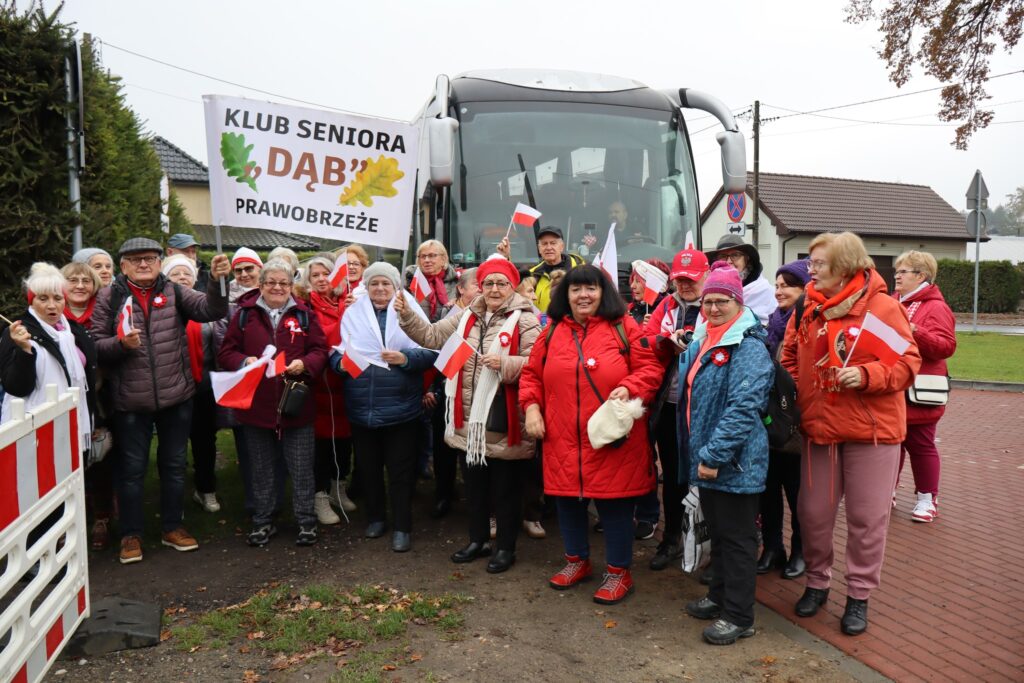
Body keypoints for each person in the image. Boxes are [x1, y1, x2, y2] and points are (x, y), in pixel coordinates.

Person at [781, 232, 921, 636]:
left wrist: (866, 375)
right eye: (810, 263)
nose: (811, 271)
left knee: (866, 519)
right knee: (813, 514)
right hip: (819, 429)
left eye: (818, 264)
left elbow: (908, 362)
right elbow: (790, 355)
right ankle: (818, 582)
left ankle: (859, 596)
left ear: (845, 267)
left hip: (871, 434)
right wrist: (799, 391)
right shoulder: (809, 305)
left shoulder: (881, 308)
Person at [520, 265, 663, 603]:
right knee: (568, 500)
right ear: (565, 296)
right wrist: (531, 408)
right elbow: (531, 375)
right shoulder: (551, 332)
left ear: (604, 292)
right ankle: (576, 561)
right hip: (562, 436)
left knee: (613, 506)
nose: (583, 295)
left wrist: (629, 387)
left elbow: (651, 368)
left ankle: (618, 572)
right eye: (575, 289)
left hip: (611, 437)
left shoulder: (624, 327)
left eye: (591, 288)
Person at [91, 237, 231, 565]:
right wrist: (120, 344)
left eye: (150, 258)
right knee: (132, 471)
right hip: (129, 402)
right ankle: (131, 534)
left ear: (159, 262)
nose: (144, 264)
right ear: (122, 265)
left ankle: (172, 527)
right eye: (136, 259)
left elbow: (212, 309)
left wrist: (217, 280)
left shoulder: (174, 292)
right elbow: (96, 345)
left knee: (173, 467)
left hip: (176, 398)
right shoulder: (109, 297)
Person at [397, 255, 541, 573]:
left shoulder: (527, 320)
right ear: (479, 286)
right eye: (487, 283)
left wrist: (506, 364)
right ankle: (478, 540)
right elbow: (432, 336)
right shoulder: (466, 316)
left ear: (512, 286)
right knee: (475, 488)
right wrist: (407, 314)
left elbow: (537, 365)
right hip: (470, 423)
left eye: (501, 283)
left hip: (505, 420)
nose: (493, 288)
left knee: (505, 491)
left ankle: (505, 547)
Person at [680, 262, 774, 645]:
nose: (714, 308)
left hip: (734, 461)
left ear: (739, 302)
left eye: (723, 301)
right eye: (709, 301)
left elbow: (742, 408)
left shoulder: (748, 346)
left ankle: (739, 616)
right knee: (719, 534)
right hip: (711, 458)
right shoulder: (707, 336)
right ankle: (719, 597)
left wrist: (714, 455)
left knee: (737, 541)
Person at [218, 259, 327, 546]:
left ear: (292, 286)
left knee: (302, 467)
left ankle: (306, 522)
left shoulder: (304, 315)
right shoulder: (244, 315)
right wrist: (244, 360)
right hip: (256, 405)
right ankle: (263, 521)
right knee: (261, 468)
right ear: (261, 285)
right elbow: (226, 351)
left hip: (296, 404)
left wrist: (305, 363)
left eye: (283, 283)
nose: (277, 288)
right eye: (270, 283)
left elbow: (320, 350)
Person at [332, 262, 436, 552]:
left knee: (401, 472)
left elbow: (430, 351)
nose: (380, 289)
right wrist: (339, 364)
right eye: (374, 283)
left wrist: (405, 359)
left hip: (401, 408)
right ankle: (376, 518)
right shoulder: (353, 313)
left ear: (395, 287)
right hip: (361, 405)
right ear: (367, 286)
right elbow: (337, 350)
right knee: (369, 468)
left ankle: (402, 526)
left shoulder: (410, 312)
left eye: (386, 284)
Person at [638, 248, 710, 571]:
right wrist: (667, 342)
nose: (685, 286)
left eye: (691, 280)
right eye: (680, 280)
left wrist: (694, 344)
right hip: (669, 405)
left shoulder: (715, 305)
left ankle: (707, 548)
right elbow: (646, 341)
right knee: (673, 475)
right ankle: (671, 539)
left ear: (705, 276)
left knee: (706, 479)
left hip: (703, 409)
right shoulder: (666, 306)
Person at [1, 262, 96, 474]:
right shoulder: (17, 332)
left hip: (71, 421)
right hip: (33, 428)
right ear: (32, 302)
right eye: (43, 299)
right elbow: (16, 387)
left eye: (57, 298)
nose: (52, 305)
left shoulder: (72, 331)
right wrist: (25, 351)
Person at [892, 250, 956, 523]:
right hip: (893, 386)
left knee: (920, 445)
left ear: (921, 276)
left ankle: (927, 499)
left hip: (919, 391)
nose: (896, 275)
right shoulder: (894, 301)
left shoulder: (936, 306)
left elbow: (945, 347)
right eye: (897, 270)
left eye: (903, 271)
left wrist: (915, 330)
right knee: (891, 444)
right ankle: (885, 492)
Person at [758, 259, 812, 580]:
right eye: (776, 285)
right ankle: (772, 547)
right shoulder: (771, 325)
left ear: (805, 289)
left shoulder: (807, 322)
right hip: (769, 422)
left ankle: (801, 550)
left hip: (798, 424)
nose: (779, 291)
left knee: (797, 492)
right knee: (768, 489)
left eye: (787, 285)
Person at [162, 255, 221, 514]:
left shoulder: (203, 305)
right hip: (172, 388)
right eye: (176, 274)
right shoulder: (161, 307)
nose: (182, 277)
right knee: (172, 448)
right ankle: (173, 500)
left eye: (187, 273)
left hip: (203, 387)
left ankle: (205, 489)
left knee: (205, 442)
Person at [61, 261, 114, 548]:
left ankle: (102, 519)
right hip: (65, 400)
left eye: (86, 280)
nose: (80, 285)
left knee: (101, 460)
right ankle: (70, 520)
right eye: (73, 280)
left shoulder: (104, 315)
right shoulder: (54, 317)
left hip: (101, 401)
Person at [300, 256, 356, 524]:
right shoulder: (304, 307)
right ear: (308, 281)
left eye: (326, 274)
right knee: (320, 443)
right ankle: (319, 494)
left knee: (344, 439)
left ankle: (338, 485)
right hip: (319, 383)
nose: (322, 279)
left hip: (345, 382)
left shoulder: (349, 301)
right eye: (316, 275)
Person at [706, 234, 776, 325]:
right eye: (722, 256)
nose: (728, 261)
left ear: (747, 259)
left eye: (735, 255)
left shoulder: (765, 292)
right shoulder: (708, 291)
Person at [520, 227, 585, 312]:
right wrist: (505, 257)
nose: (548, 247)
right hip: (541, 324)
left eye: (553, 243)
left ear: (562, 246)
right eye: (544, 244)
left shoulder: (580, 270)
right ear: (539, 249)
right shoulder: (532, 275)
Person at [404, 240, 459, 322]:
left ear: (443, 259)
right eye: (423, 256)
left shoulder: (456, 282)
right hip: (416, 331)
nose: (427, 260)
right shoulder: (409, 279)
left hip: (447, 332)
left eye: (432, 256)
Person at [627, 259, 670, 327]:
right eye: (633, 280)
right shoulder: (628, 309)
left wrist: (653, 329)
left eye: (638, 281)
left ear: (654, 285)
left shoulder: (669, 313)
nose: (632, 286)